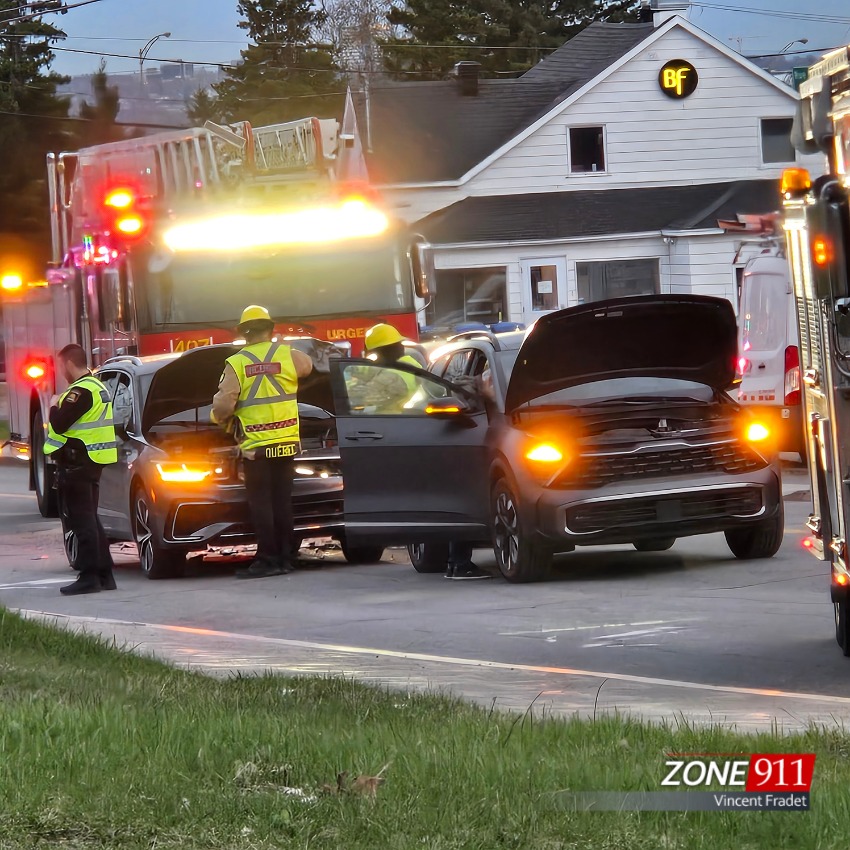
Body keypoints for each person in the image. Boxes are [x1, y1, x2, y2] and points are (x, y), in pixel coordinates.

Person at [212, 305, 313, 579]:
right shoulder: (289, 355)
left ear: (244, 333)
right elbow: (308, 367)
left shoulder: (237, 362)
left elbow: (224, 405)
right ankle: (285, 556)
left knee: (261, 503)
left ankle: (268, 559)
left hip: (257, 446)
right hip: (287, 441)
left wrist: (219, 420)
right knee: (282, 500)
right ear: (272, 329)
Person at [44, 344, 118, 595]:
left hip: (78, 462)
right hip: (91, 460)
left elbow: (61, 424)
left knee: (81, 519)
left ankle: (88, 576)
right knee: (91, 519)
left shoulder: (81, 391)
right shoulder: (97, 385)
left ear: (67, 364)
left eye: (59, 366)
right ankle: (105, 574)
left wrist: (53, 405)